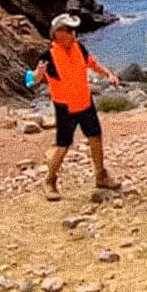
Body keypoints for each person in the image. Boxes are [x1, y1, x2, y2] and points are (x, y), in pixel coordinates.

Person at [33, 13, 122, 200]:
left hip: (85, 102)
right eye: (70, 30)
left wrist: (109, 74)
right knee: (63, 145)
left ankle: (101, 176)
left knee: (95, 138)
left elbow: (93, 64)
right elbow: (31, 79)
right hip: (65, 107)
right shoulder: (48, 55)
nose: (74, 34)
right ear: (58, 33)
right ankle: (49, 181)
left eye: (74, 30)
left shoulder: (78, 48)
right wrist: (38, 75)